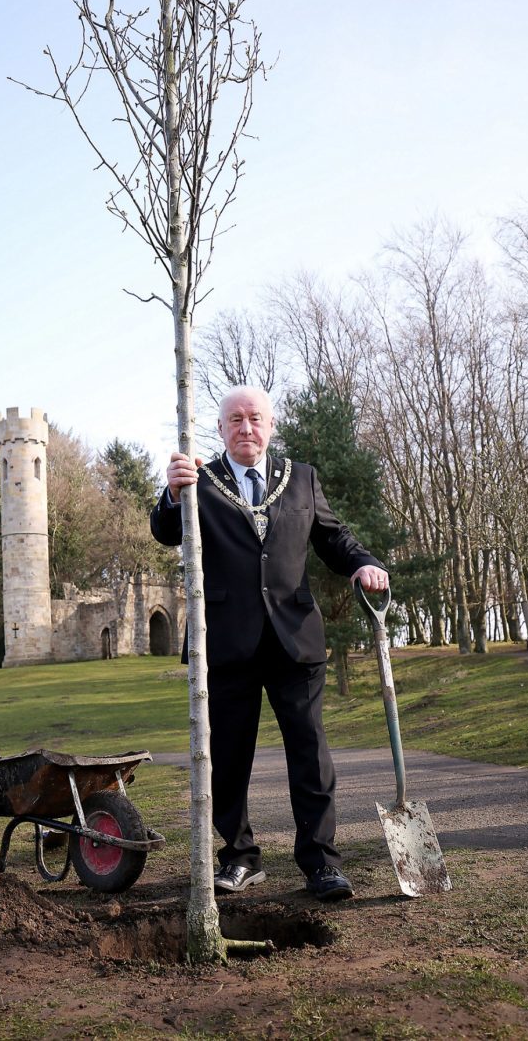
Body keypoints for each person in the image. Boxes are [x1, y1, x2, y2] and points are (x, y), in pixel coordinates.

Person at [150, 386, 389, 900]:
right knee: (228, 759)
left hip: (294, 640)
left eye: (255, 418)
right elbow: (167, 532)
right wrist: (171, 493)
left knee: (310, 754)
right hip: (224, 643)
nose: (245, 427)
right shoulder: (199, 480)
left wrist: (363, 563)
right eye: (234, 419)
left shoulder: (299, 478)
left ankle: (321, 864)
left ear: (271, 424)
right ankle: (239, 858)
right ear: (220, 429)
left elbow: (332, 536)